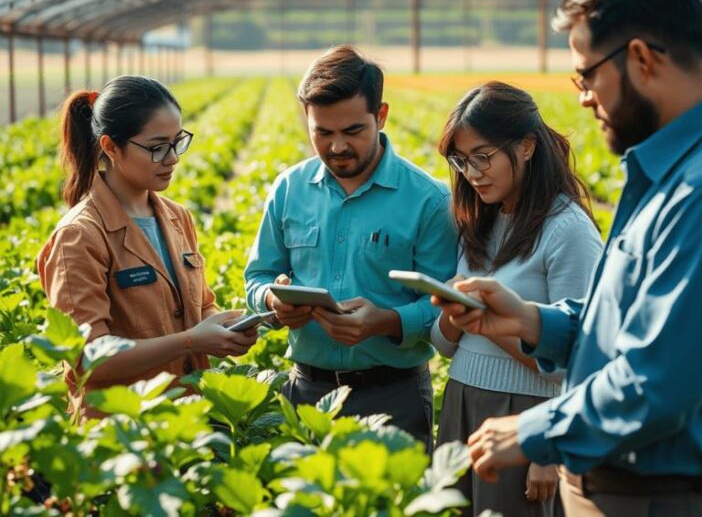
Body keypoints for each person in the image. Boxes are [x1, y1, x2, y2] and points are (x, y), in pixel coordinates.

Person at [434, 0, 702, 517]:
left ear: (641, 59)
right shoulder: (677, 171)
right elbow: (633, 322)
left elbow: (661, 378)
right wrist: (533, 320)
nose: (584, 98)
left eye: (586, 76)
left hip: (665, 498)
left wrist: (535, 428)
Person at [244, 45, 457, 450]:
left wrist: (387, 322)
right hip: (307, 394)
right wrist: (273, 300)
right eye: (323, 133)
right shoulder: (289, 189)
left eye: (353, 131)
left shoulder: (428, 200)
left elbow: (447, 304)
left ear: (381, 115)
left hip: (394, 397)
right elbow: (258, 277)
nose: (338, 147)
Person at [37, 75, 257, 421]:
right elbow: (88, 358)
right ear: (111, 147)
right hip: (119, 433)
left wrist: (226, 327)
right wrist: (192, 341)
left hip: (186, 419)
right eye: (157, 147)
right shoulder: (79, 236)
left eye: (177, 142)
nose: (173, 159)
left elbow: (200, 307)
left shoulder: (177, 217)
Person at [431, 81, 602, 516]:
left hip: (524, 414)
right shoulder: (480, 219)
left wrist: (549, 449)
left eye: (482, 157)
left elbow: (580, 357)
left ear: (526, 147)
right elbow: (445, 345)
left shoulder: (567, 229)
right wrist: (453, 315)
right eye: (461, 161)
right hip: (462, 403)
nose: (472, 173)